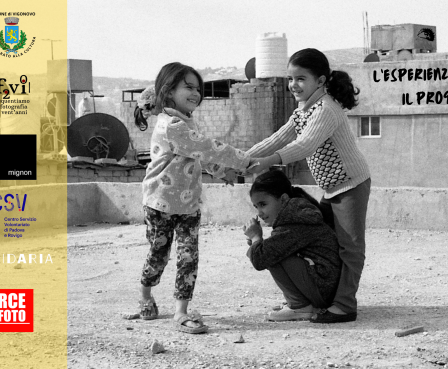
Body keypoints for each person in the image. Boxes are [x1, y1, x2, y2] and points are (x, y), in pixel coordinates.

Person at [246, 48, 371, 323]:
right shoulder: (304, 110)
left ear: (321, 80)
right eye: (291, 79)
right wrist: (240, 160)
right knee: (325, 242)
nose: (294, 85)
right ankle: (312, 299)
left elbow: (305, 145)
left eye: (301, 78)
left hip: (350, 185)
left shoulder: (326, 108)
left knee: (350, 248)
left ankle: (345, 305)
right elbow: (276, 139)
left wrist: (267, 162)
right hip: (332, 188)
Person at [137, 62, 254, 334]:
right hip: (160, 203)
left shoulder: (185, 123)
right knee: (159, 255)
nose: (196, 93)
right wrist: (242, 160)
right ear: (168, 90)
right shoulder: (172, 125)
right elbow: (206, 147)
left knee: (188, 258)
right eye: (188, 87)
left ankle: (181, 312)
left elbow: (196, 154)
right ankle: (145, 295)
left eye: (198, 88)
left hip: (188, 204)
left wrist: (220, 171)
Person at [243, 170, 341, 321]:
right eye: (256, 207)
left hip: (323, 288)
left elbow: (261, 259)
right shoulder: (296, 212)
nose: (260, 213)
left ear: (283, 199)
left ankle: (300, 306)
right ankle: (302, 303)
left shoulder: (294, 219)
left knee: (271, 254)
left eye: (263, 204)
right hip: (325, 285)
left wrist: (256, 238)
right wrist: (258, 243)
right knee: (272, 250)